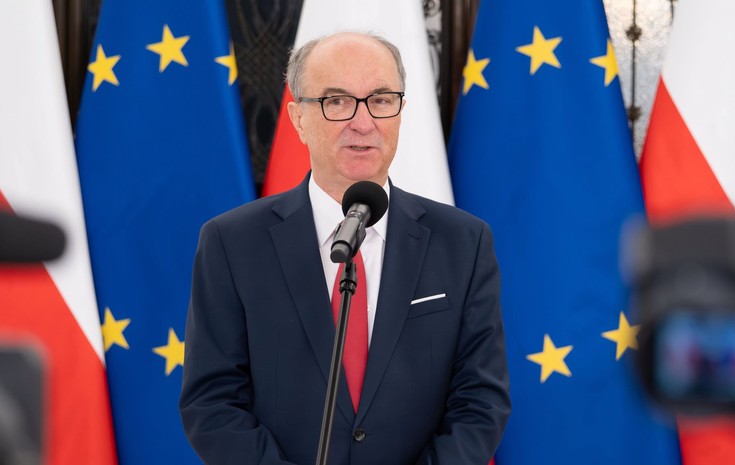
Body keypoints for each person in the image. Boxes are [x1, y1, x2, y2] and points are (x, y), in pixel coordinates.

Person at [179, 31, 510, 465]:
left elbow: (480, 400)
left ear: (401, 112)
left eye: (381, 100)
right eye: (337, 101)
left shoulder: (463, 242)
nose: (363, 122)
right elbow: (212, 402)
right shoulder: (231, 243)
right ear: (298, 118)